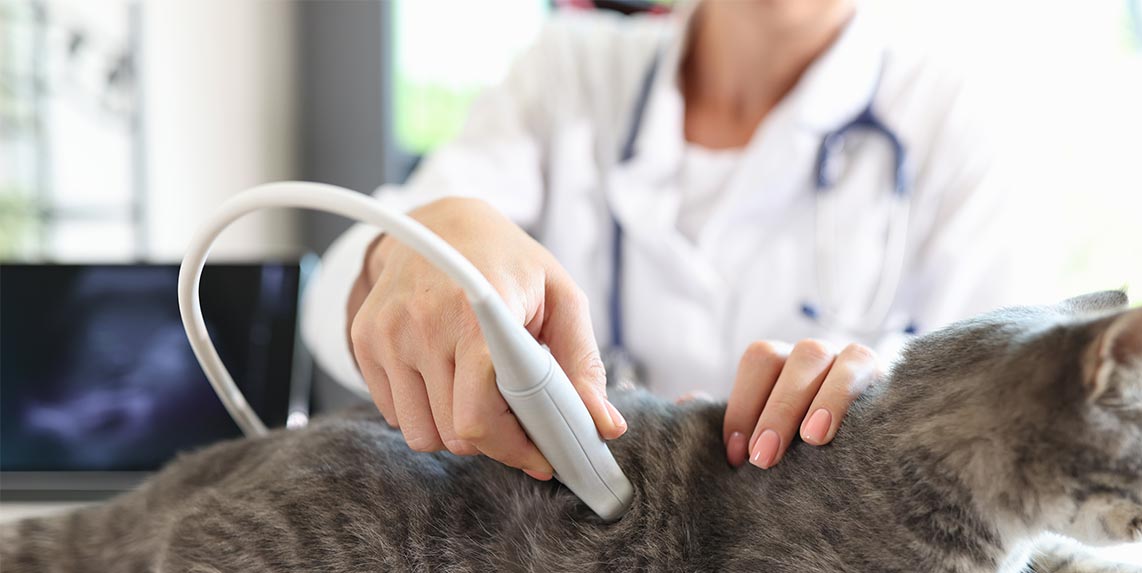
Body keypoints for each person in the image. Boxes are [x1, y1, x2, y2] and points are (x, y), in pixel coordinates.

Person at [302, 0, 1020, 482]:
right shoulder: (569, 71)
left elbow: (1007, 415)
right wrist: (423, 241)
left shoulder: (954, 118)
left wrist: (889, 408)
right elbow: (337, 291)